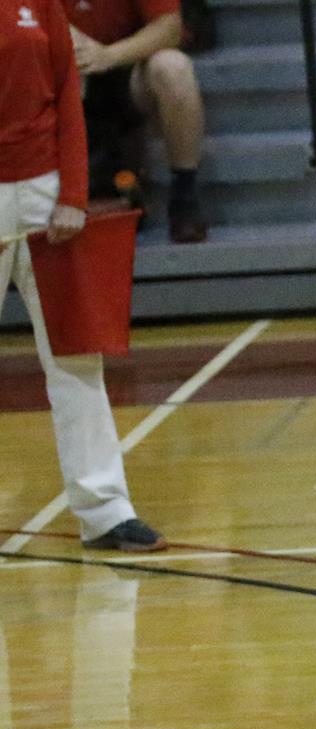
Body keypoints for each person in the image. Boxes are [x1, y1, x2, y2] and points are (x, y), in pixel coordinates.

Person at [2, 0, 166, 553]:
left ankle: (105, 511)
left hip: (47, 196)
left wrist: (72, 194)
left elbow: (68, 93)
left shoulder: (39, 4)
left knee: (75, 358)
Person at [59, 0, 208, 243]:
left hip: (126, 63)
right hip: (58, 72)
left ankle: (185, 193)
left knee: (173, 68)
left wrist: (108, 55)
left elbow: (169, 28)